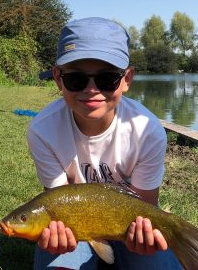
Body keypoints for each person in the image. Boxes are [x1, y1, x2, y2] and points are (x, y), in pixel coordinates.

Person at [27, 17, 182, 269]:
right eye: (76, 79)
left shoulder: (147, 130)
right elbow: (57, 206)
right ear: (58, 78)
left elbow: (146, 206)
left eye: (107, 78)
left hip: (128, 222)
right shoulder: (42, 130)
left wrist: (143, 234)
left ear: (127, 79)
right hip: (74, 226)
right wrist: (58, 236)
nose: (91, 89)